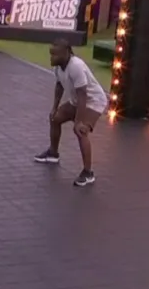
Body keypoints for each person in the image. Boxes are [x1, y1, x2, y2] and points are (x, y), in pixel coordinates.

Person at [33, 39, 108, 188]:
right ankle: (53, 154)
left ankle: (88, 173)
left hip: (93, 101)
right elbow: (59, 86)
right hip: (77, 101)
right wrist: (54, 108)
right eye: (51, 54)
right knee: (55, 118)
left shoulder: (76, 66)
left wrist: (79, 121)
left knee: (80, 131)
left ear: (66, 53)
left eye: (55, 54)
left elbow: (83, 95)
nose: (52, 58)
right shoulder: (58, 67)